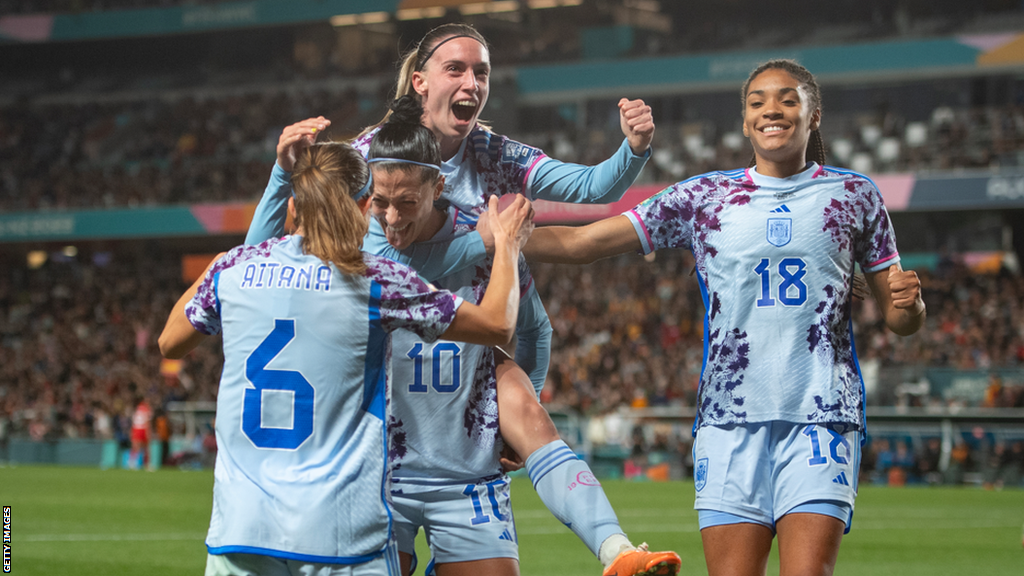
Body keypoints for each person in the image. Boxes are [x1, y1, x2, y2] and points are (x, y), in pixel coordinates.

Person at [521, 59, 926, 576]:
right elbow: (584, 242)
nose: (771, 110)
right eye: (757, 102)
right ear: (744, 121)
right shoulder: (704, 198)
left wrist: (911, 305)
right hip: (729, 421)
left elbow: (900, 318)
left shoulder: (855, 195)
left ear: (813, 115)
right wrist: (488, 239)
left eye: (787, 98)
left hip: (821, 417)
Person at [249, 97, 681, 576]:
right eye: (382, 203)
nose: (392, 218)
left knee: (516, 394)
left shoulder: (489, 238)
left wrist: (512, 423)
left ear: (439, 186)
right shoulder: (361, 240)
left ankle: (618, 551)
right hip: (377, 467)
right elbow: (259, 270)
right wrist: (279, 177)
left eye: (407, 202)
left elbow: (536, 328)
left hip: (464, 467)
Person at [158, 141, 534, 576]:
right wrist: (505, 244)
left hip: (242, 529)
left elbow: (170, 342)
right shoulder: (374, 280)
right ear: (364, 204)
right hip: (339, 533)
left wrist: (221, 264)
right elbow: (497, 326)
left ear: (295, 205)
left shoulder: (232, 270)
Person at [247, 22, 656, 392]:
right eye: (456, 69)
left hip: (457, 366)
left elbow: (592, 187)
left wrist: (633, 148)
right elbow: (256, 262)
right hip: (375, 361)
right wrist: (282, 174)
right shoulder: (372, 158)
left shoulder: (493, 154)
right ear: (420, 81)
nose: (473, 83)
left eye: (482, 73)